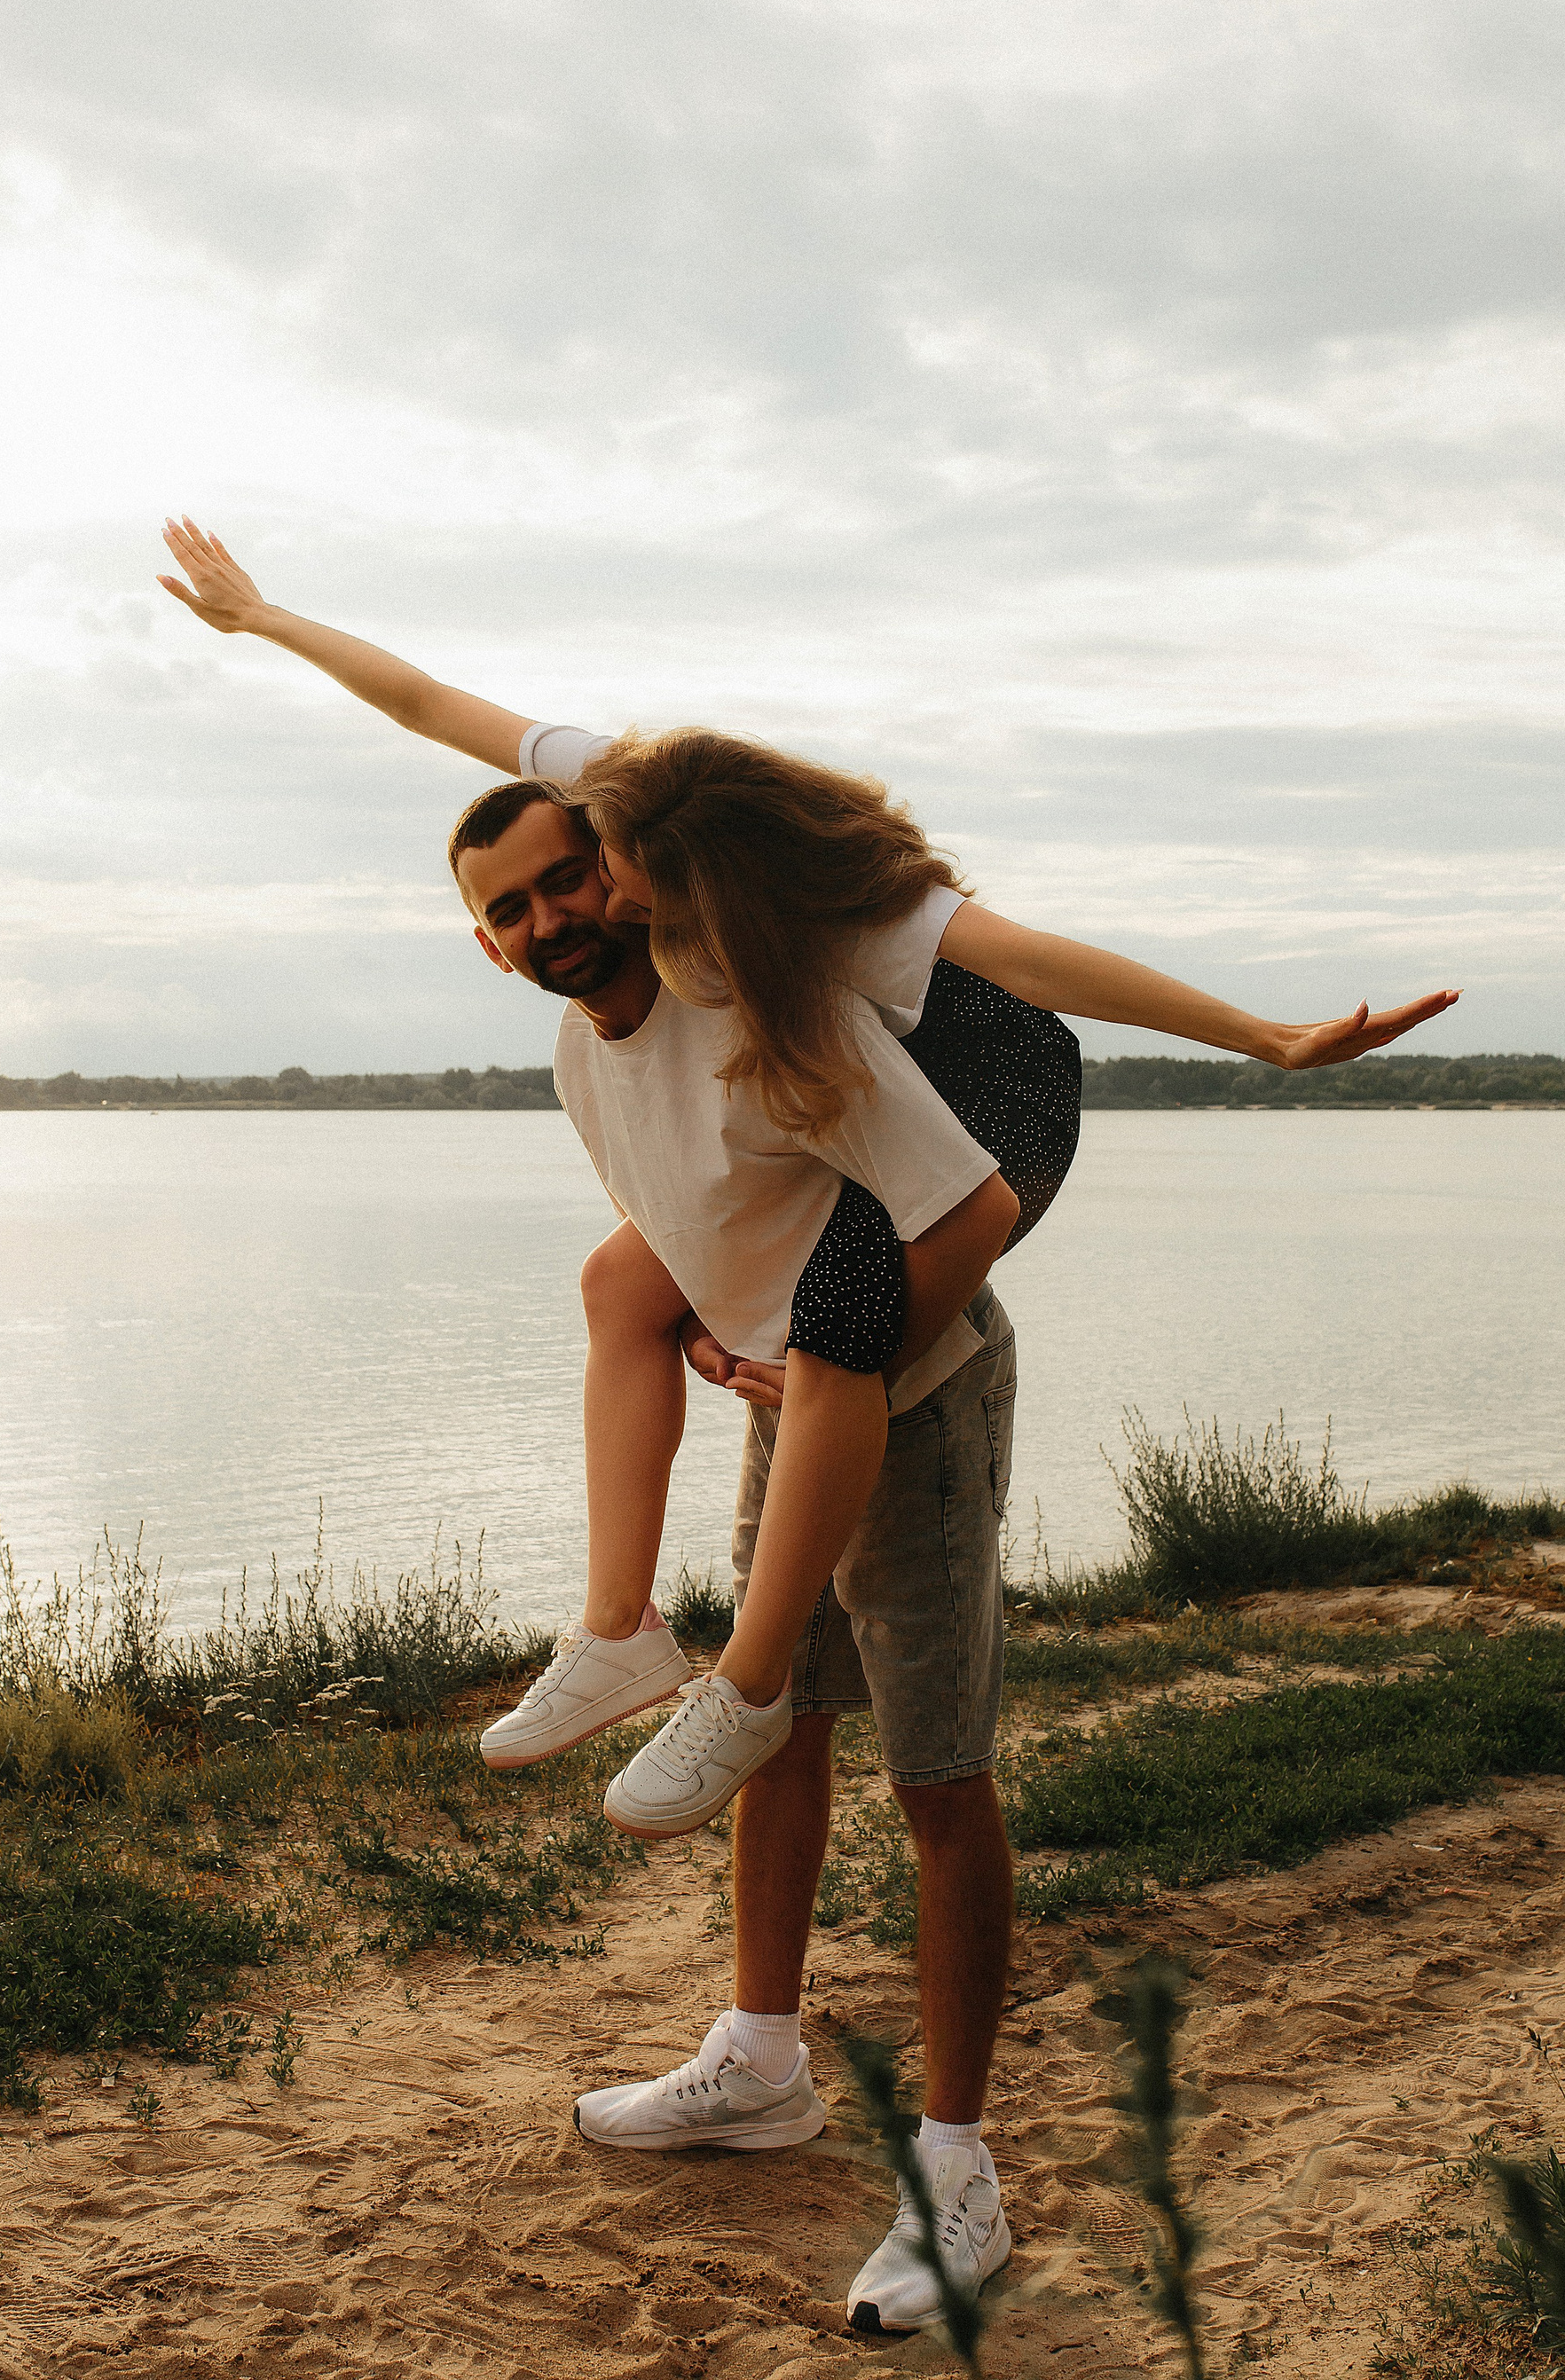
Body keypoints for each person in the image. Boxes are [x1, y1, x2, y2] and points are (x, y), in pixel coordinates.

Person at [157, 519, 1458, 2332]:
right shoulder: (620, 883)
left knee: (937, 1773)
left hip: (990, 1133)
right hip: (828, 1342)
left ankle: (957, 2173)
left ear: (640, 865)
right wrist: (262, 617)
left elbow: (1052, 978)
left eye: (580, 879)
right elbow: (433, 703)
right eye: (520, 903)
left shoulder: (831, 936)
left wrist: (1272, 1042)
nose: (568, 908)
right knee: (669, 1372)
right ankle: (750, 2021)